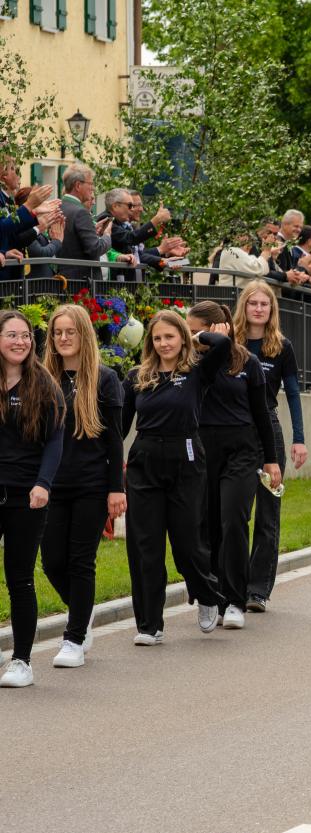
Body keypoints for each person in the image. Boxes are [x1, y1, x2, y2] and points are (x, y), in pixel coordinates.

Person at [121, 311, 230, 644]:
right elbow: (119, 427)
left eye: (170, 336)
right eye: (157, 338)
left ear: (182, 337)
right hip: (144, 462)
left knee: (188, 542)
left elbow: (222, 344)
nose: (163, 343)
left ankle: (207, 595)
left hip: (186, 458)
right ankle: (149, 625)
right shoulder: (138, 376)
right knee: (145, 546)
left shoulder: (197, 371)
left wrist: (196, 339)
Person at [40, 304, 126, 669]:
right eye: (57, 332)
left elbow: (115, 440)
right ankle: (82, 612)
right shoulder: (42, 378)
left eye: (69, 332)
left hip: (92, 485)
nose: (63, 338)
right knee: (51, 562)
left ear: (83, 335)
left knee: (80, 561)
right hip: (52, 486)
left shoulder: (105, 379)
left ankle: (74, 638)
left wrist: (116, 488)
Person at [186, 302, 281, 630]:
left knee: (233, 521)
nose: (190, 337)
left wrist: (271, 460)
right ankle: (212, 596)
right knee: (208, 525)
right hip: (204, 451)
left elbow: (262, 414)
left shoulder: (248, 362)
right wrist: (203, 342)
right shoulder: (194, 363)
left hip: (242, 451)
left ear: (215, 328)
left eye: (195, 331)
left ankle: (235, 600)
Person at [233, 281, 309, 612]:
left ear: (272, 309)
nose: (259, 309)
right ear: (244, 307)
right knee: (234, 513)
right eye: (253, 303)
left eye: (265, 304)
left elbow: (292, 394)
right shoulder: (231, 342)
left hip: (269, 435)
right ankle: (231, 585)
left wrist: (299, 439)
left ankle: (258, 590)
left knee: (267, 515)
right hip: (235, 433)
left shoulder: (281, 347)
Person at [0, 310, 65, 687]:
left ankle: (21, 661)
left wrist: (43, 484)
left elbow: (54, 441)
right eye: (11, 335)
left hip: (27, 497)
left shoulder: (44, 385)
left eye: (25, 336)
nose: (20, 342)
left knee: (19, 577)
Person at [57, 165, 114, 281]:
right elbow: (95, 249)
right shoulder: (81, 212)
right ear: (78, 185)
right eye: (90, 184)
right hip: (83, 282)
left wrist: (92, 230)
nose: (92, 188)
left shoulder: (59, 207)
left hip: (64, 278)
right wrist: (107, 236)